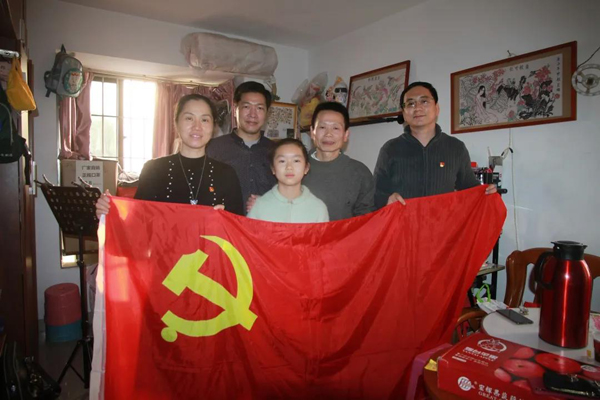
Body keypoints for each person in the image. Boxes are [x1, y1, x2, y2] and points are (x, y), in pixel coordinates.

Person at [96, 94, 244, 216]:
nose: (197, 127)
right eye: (189, 118)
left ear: (213, 126)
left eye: (204, 120)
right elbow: (137, 220)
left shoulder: (227, 174)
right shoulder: (154, 169)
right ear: (176, 123)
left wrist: (227, 219)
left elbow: (239, 228)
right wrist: (109, 213)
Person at [374, 81, 496, 208]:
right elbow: (375, 193)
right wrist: (386, 200)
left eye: (424, 101)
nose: (417, 108)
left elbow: (470, 188)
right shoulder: (390, 149)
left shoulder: (456, 148)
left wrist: (487, 192)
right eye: (411, 104)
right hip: (402, 220)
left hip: (443, 220)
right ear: (404, 113)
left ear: (436, 108)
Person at [206, 81, 277, 213]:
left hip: (267, 223)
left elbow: (289, 194)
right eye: (246, 107)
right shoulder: (213, 149)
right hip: (224, 224)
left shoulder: (277, 152)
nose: (252, 114)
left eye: (259, 108)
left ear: (267, 113)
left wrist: (268, 203)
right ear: (235, 110)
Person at [302, 101, 375, 220]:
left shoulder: (360, 172)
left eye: (335, 128)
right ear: (312, 132)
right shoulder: (296, 168)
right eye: (322, 127)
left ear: (346, 135)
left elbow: (365, 219)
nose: (328, 134)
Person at [247, 138, 328, 223]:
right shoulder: (259, 206)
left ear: (306, 168)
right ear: (273, 168)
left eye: (296, 161)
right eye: (282, 161)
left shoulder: (318, 208)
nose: (289, 167)